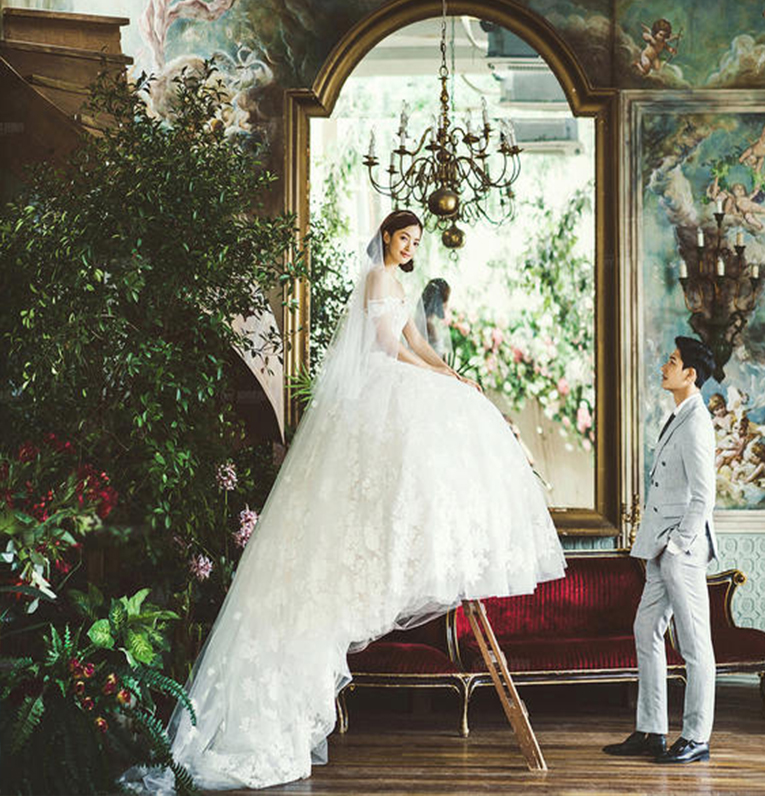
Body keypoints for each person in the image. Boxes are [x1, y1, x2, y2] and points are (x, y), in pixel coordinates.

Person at [139, 210, 566, 791]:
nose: (410, 247)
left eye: (416, 242)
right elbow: (389, 346)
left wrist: (453, 374)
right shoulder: (377, 278)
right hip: (380, 383)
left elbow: (417, 340)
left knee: (462, 407)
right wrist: (436, 380)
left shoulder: (400, 284)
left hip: (398, 377)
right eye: (404, 238)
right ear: (386, 237)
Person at [602, 336, 717, 765]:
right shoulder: (678, 416)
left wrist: (677, 546)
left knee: (694, 644)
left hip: (679, 550)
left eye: (672, 361)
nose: (664, 367)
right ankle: (651, 730)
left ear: (690, 374)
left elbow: (704, 496)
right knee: (645, 629)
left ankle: (696, 737)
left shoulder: (697, 422)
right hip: (659, 546)